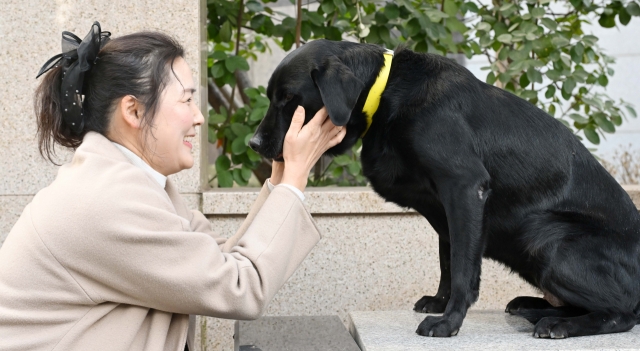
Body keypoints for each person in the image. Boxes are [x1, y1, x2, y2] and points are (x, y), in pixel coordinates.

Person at [0, 22, 346, 351]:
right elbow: (240, 287)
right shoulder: (105, 201)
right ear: (134, 112)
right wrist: (296, 178)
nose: (199, 116)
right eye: (185, 100)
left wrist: (281, 176)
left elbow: (217, 262)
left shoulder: (125, 183)